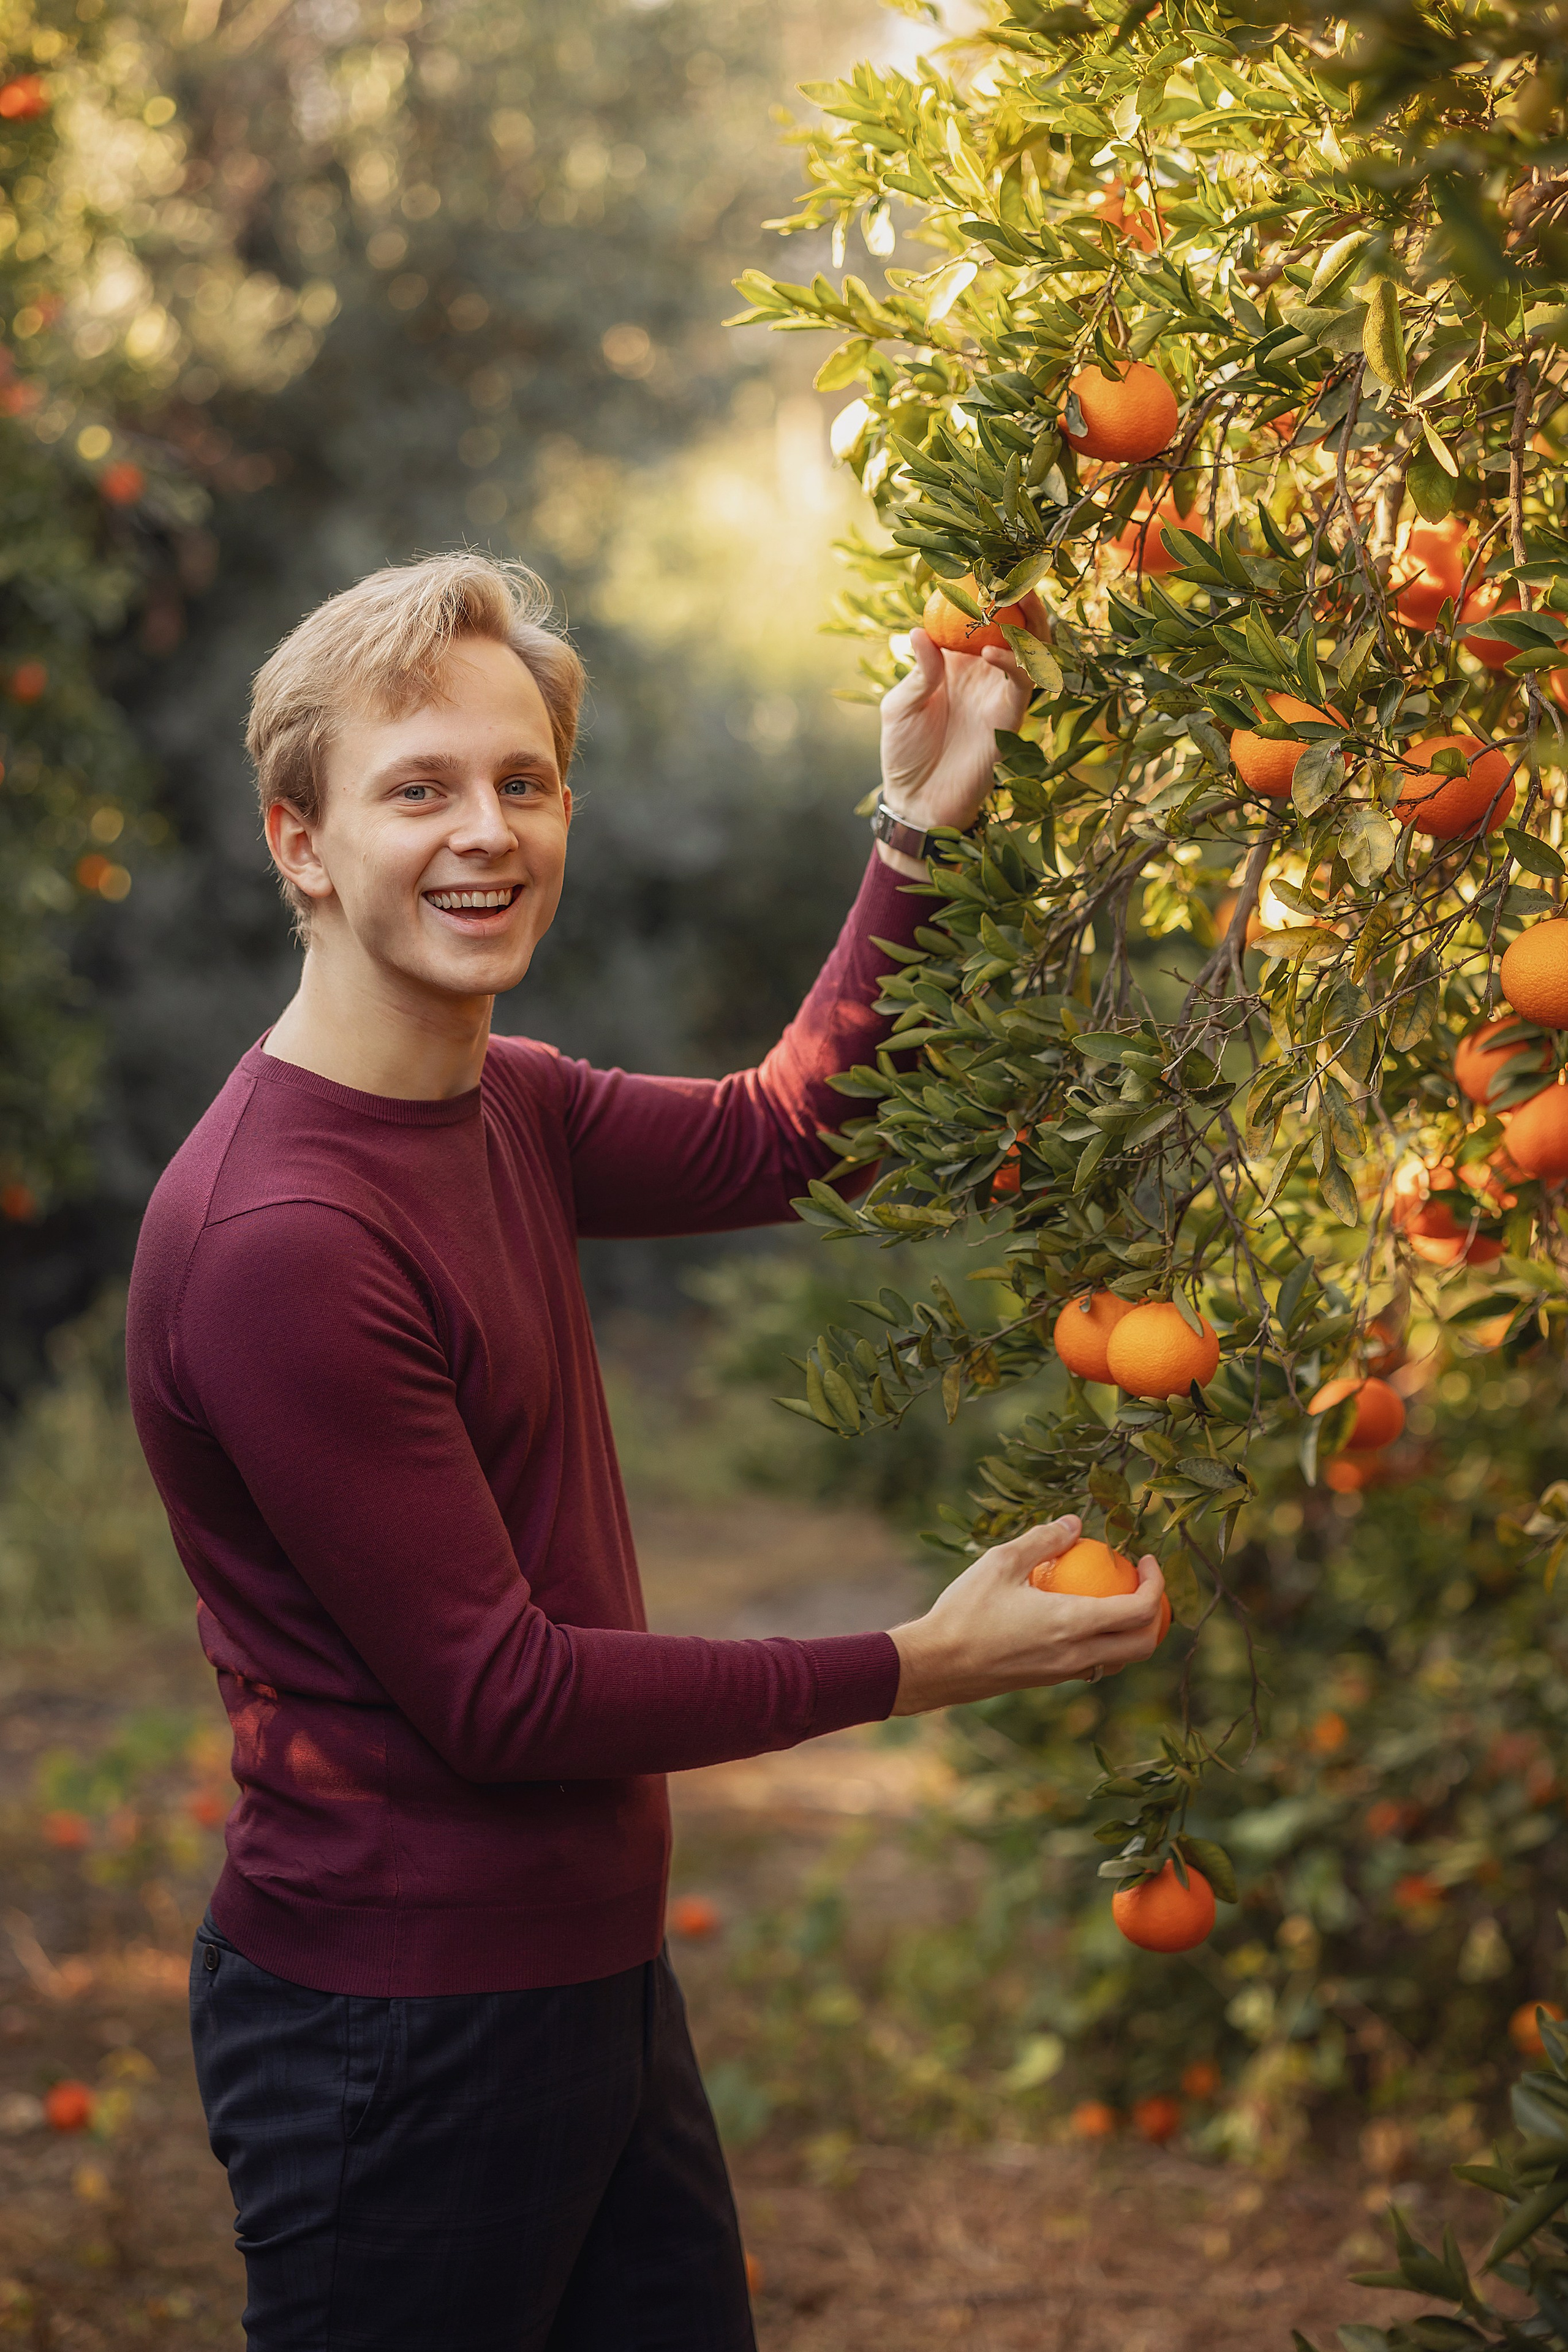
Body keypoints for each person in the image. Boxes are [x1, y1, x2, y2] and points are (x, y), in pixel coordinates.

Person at [126, 552, 1164, 2352]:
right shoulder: (282, 1238)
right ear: (300, 842)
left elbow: (791, 1135)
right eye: (420, 788)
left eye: (521, 782)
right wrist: (922, 1665)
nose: (487, 833)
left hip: (580, 1981)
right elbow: (502, 1698)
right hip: (400, 2032)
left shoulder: (501, 1104)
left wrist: (915, 821)